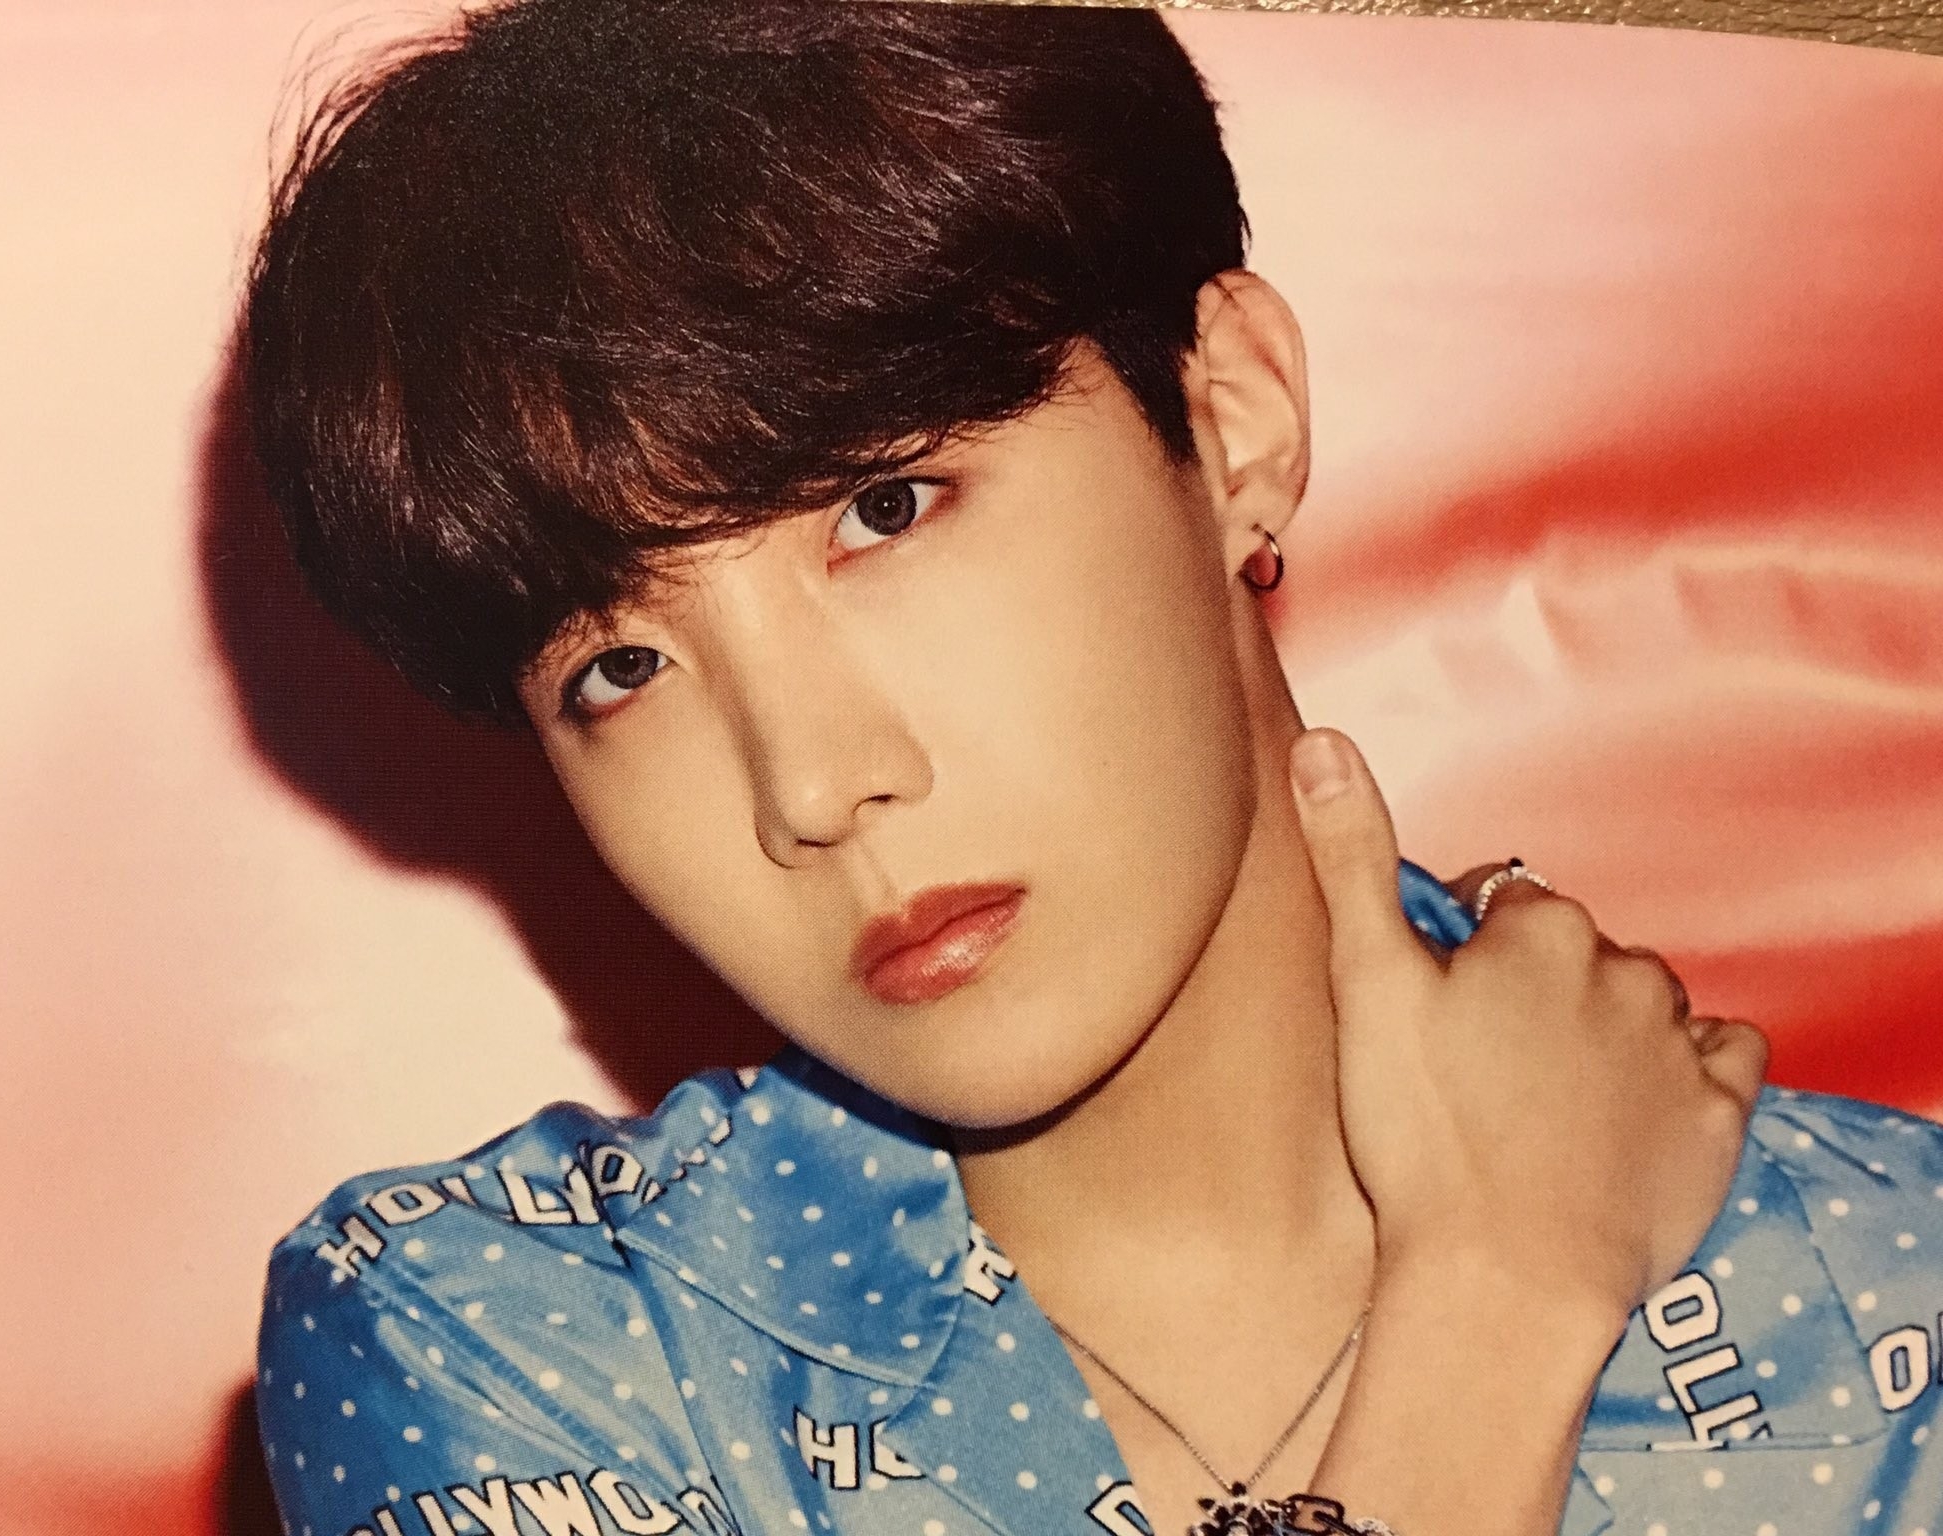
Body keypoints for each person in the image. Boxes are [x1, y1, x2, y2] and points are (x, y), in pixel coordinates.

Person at [241, 4, 1943, 1534]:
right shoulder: (508, 1345)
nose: (813, 788)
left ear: (1232, 416)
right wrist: (1495, 1303)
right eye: (620, 670)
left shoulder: (1893, 1300)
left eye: (884, 509)